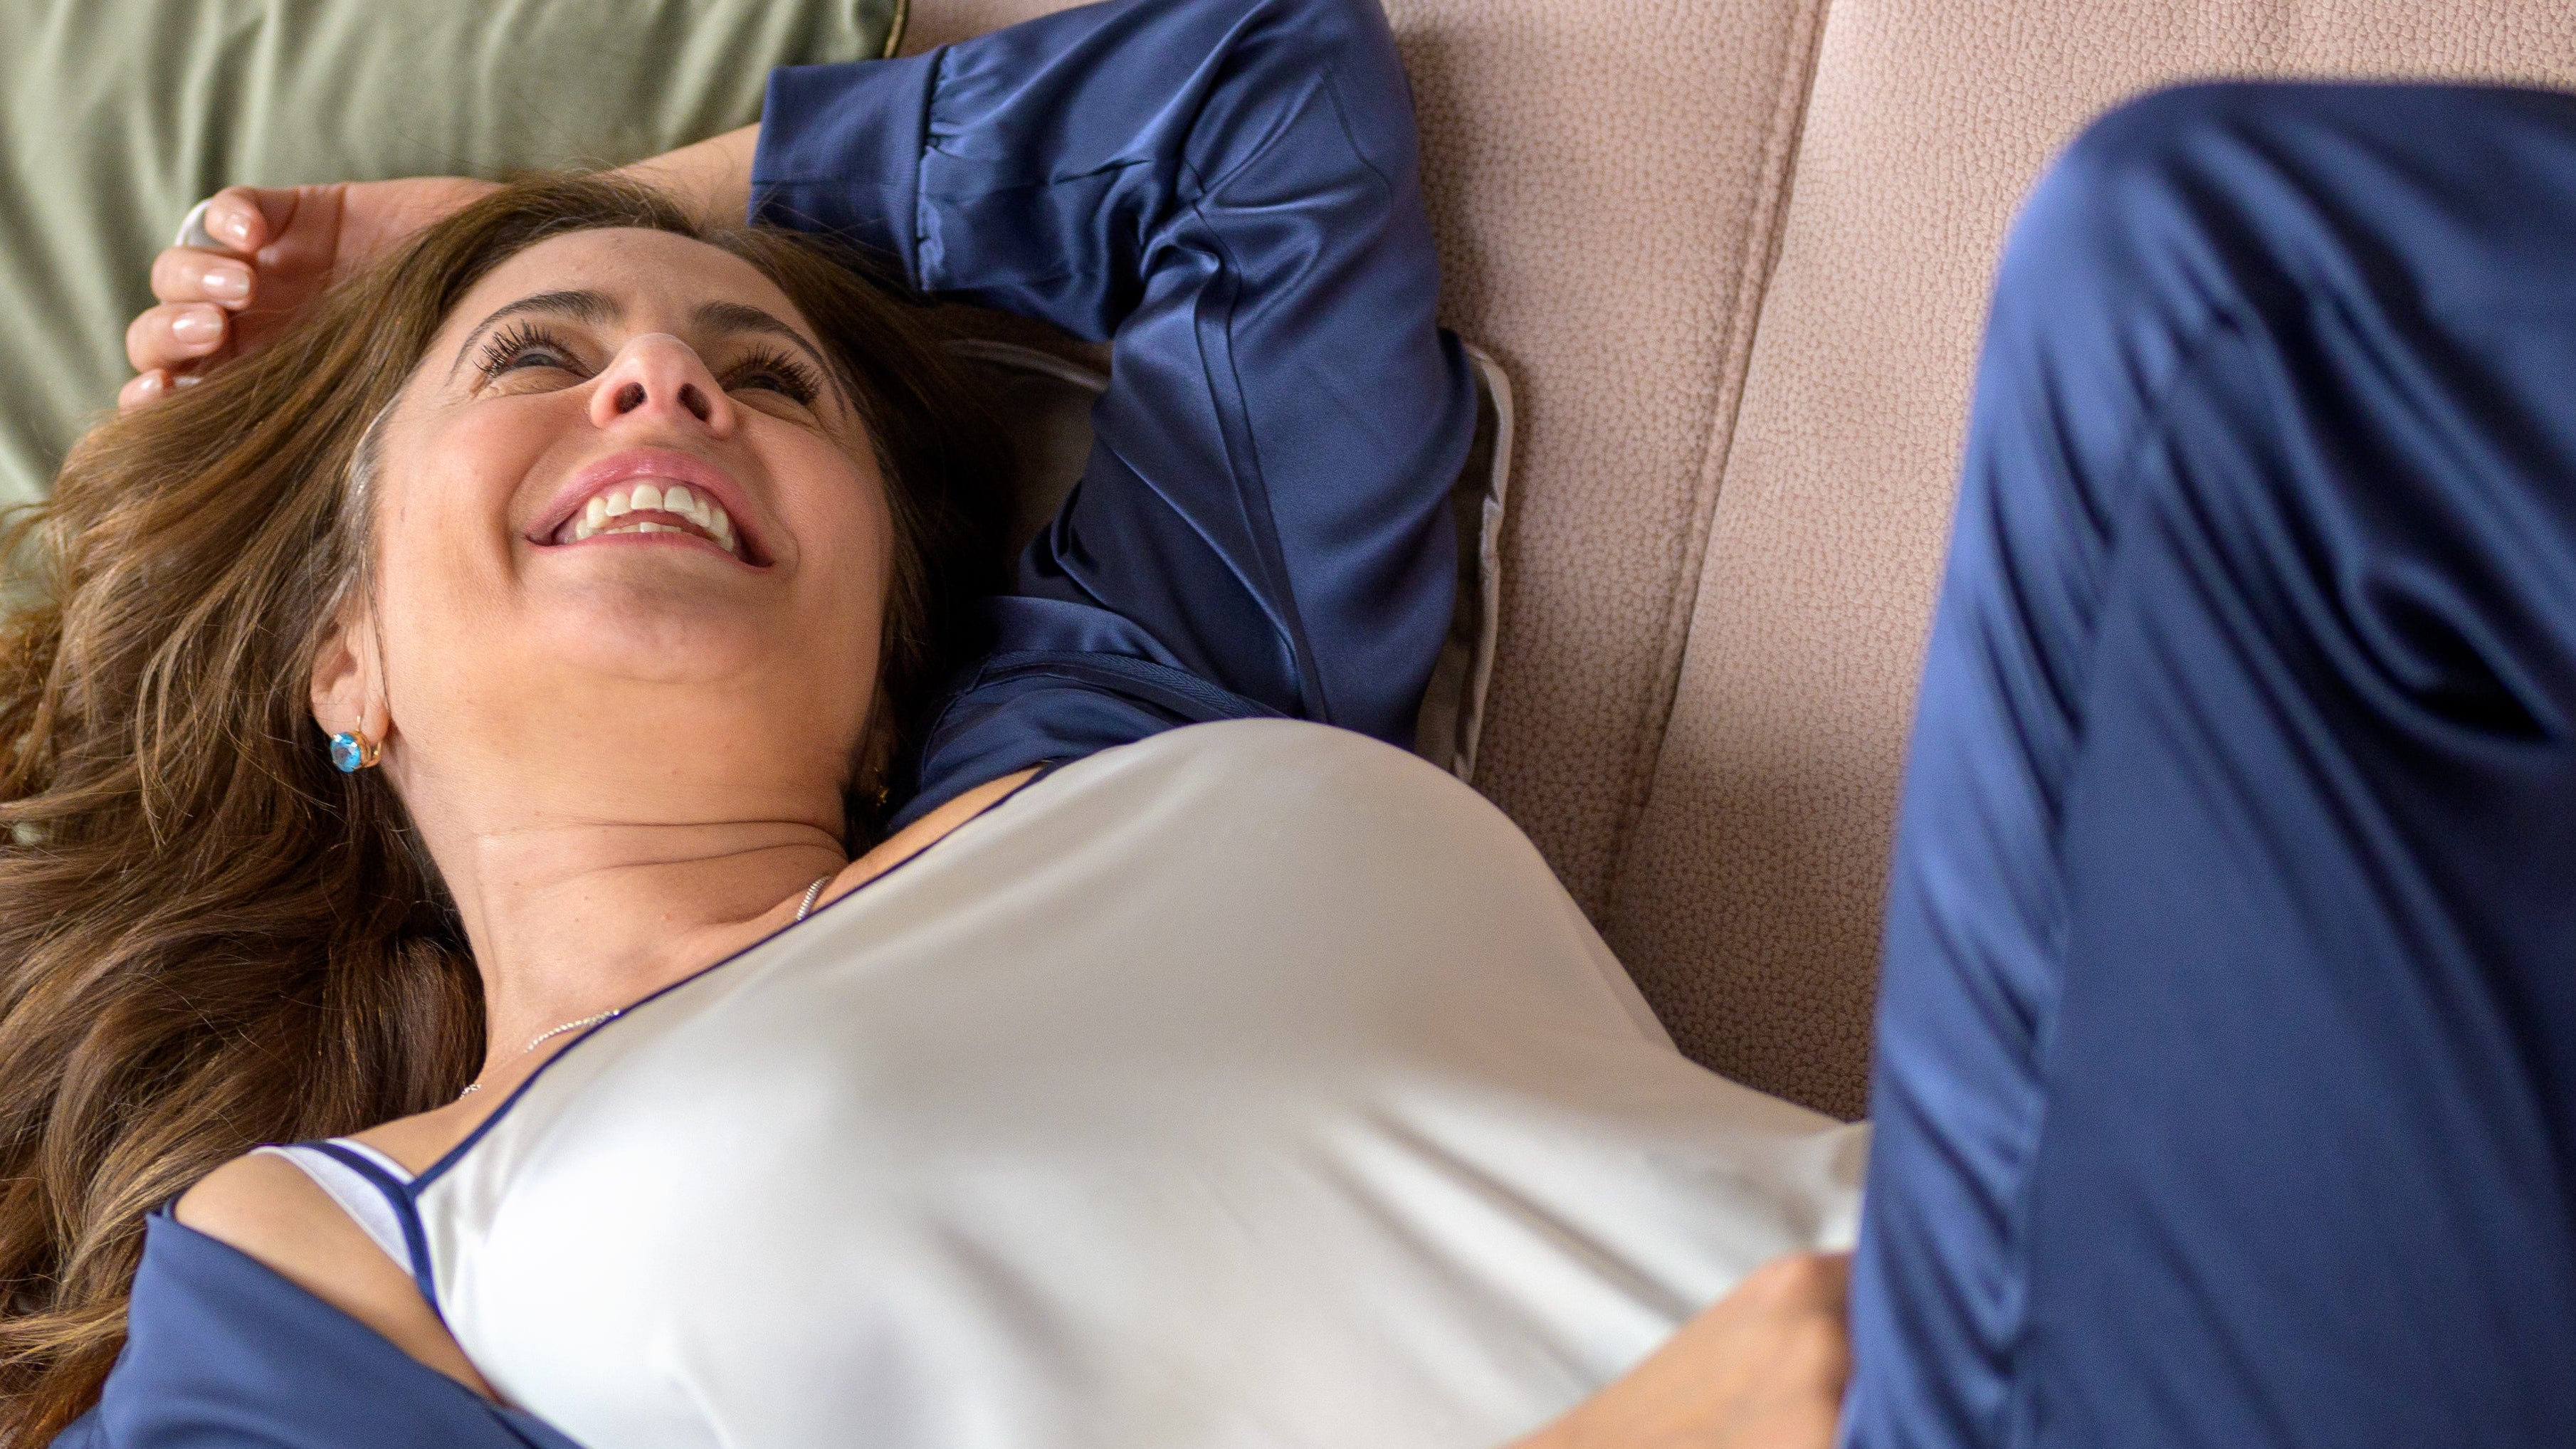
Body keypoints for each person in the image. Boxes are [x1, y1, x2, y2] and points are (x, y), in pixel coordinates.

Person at [1, 0, 1861, 1444]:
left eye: (762, 378)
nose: (659, 377)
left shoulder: (1126, 697)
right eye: (537, 357)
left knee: (2149, 242)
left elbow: (1261, 109)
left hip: (2047, 1267)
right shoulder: (350, 1253)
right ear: (345, 661)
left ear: (896, 639)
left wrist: (548, 221)